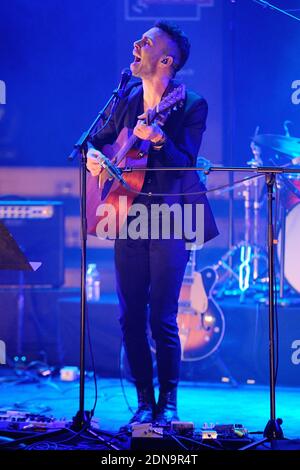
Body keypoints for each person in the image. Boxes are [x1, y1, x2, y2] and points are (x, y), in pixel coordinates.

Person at [86, 21, 218, 428]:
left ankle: (169, 403)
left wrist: (159, 139)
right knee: (129, 316)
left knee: (162, 316)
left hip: (169, 215)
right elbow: (98, 137)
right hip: (126, 212)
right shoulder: (125, 95)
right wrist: (92, 156)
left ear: (165, 59)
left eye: (148, 41)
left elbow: (186, 164)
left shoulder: (191, 104)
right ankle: (144, 402)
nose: (136, 44)